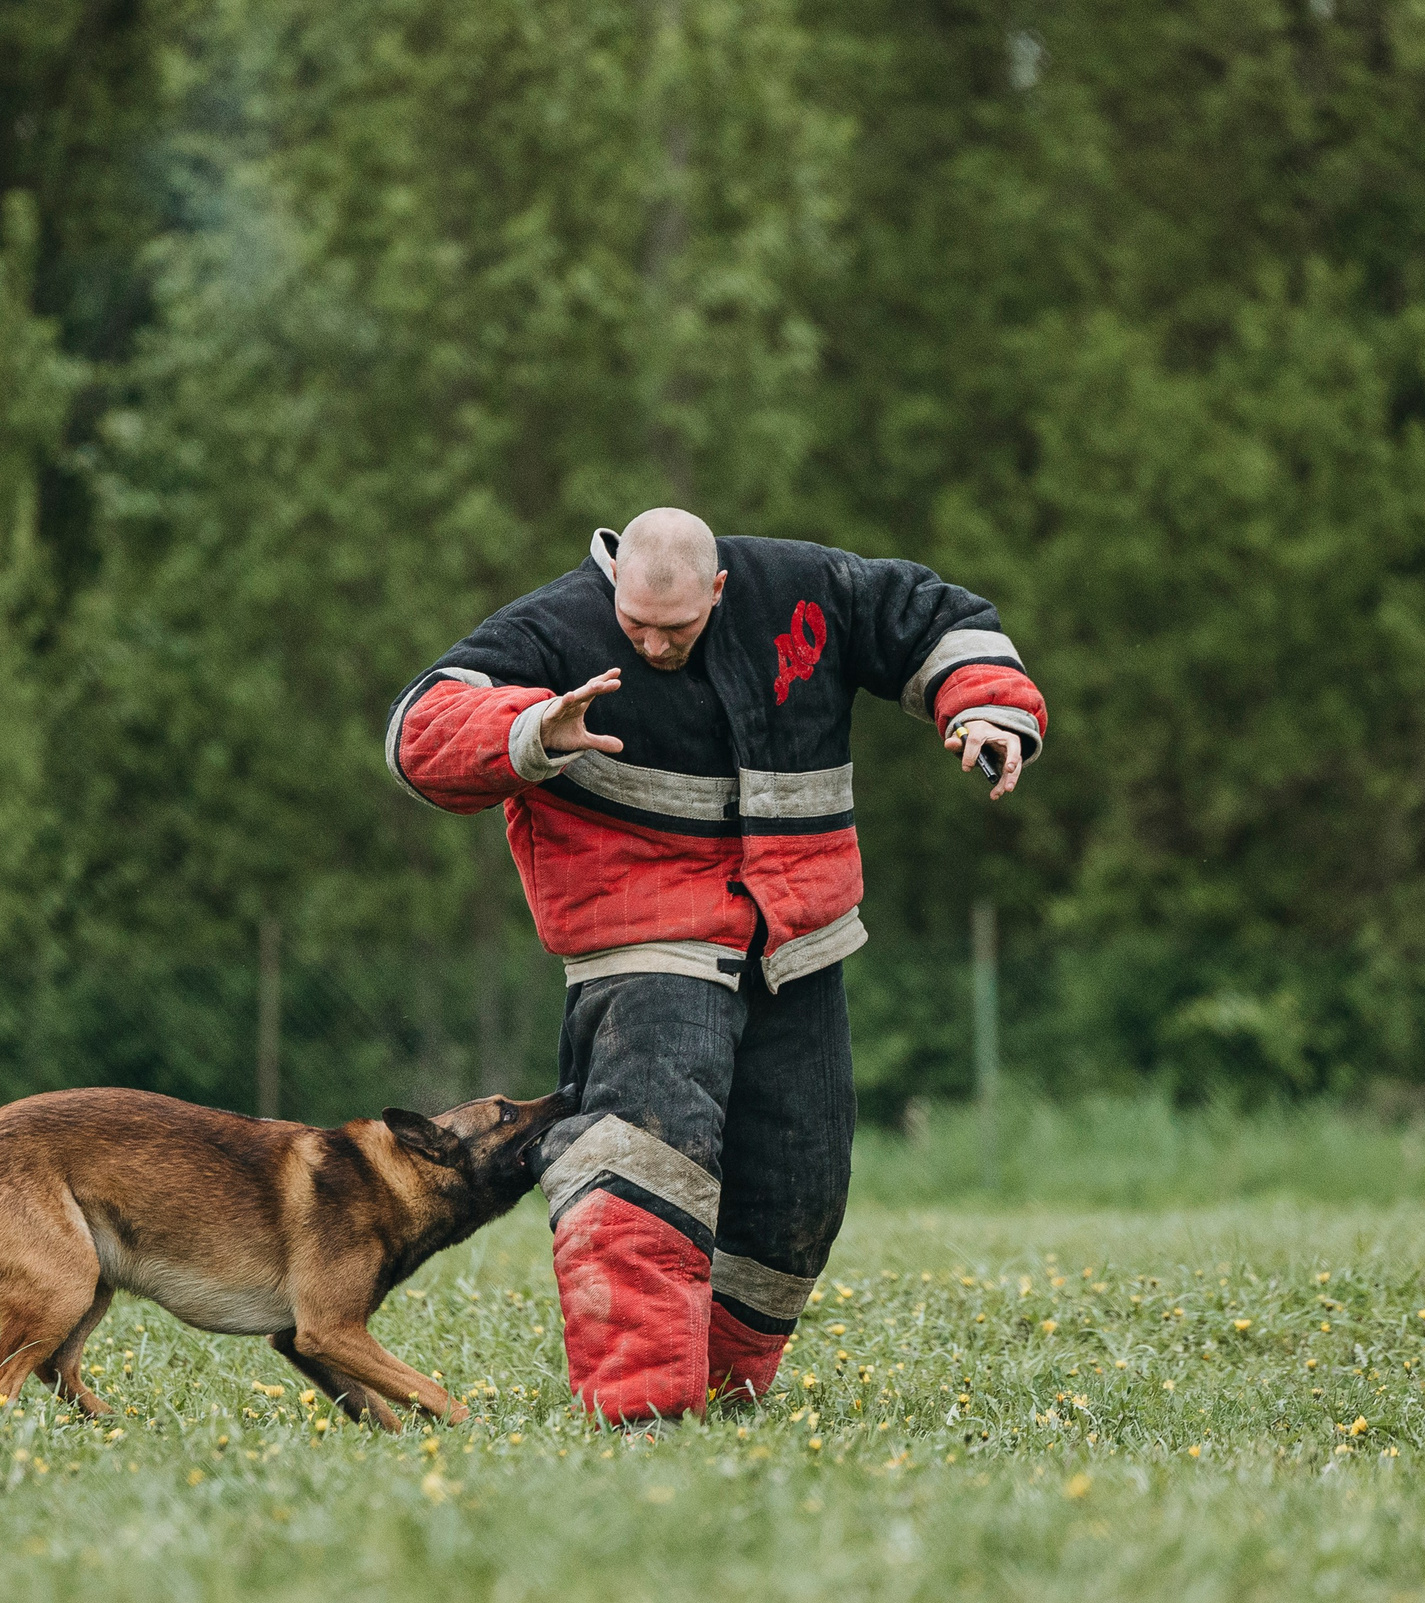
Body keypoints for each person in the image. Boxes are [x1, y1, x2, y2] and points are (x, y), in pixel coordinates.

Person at [385, 508, 1047, 1423]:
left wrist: (983, 705)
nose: (653, 645)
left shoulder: (803, 588)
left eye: (678, 628)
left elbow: (932, 615)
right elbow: (419, 731)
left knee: (798, 1192)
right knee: (645, 1160)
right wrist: (532, 727)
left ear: (721, 592)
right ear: (614, 584)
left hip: (797, 940)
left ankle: (723, 1394)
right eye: (636, 624)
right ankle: (643, 1413)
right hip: (643, 935)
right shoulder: (554, 628)